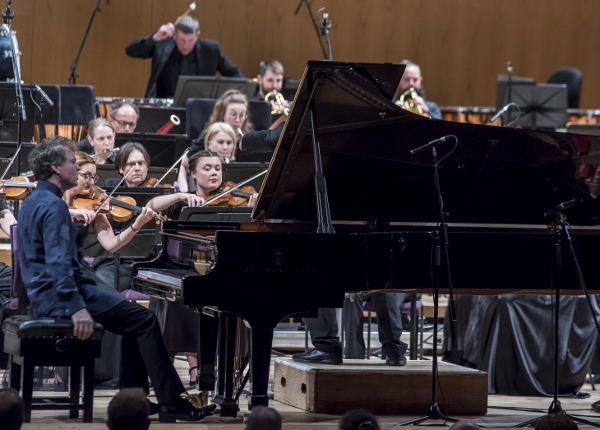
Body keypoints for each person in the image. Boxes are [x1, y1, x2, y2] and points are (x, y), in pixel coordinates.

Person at [16, 137, 216, 422]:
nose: (79, 166)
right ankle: (172, 402)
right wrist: (76, 307)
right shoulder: (54, 205)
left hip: (47, 293)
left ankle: (134, 398)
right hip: (66, 295)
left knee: (134, 320)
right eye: (73, 162)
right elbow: (59, 263)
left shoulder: (32, 200)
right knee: (145, 320)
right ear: (55, 167)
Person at [147, 150, 256, 385]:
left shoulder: (234, 203)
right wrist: (180, 196)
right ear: (194, 173)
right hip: (189, 270)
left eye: (217, 168)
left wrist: (254, 210)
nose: (213, 172)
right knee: (179, 297)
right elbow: (151, 206)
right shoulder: (182, 203)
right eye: (206, 168)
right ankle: (197, 365)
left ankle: (227, 368)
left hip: (225, 270)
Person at [126, 15, 244, 98]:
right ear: (174, 35)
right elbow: (131, 51)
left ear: (197, 35)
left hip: (198, 104)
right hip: (164, 101)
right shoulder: (162, 44)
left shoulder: (211, 50)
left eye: (191, 40)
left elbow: (233, 73)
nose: (186, 45)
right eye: (182, 40)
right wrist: (154, 38)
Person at [178, 90, 253, 191]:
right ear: (223, 114)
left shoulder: (250, 138)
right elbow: (183, 165)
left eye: (242, 115)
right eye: (233, 114)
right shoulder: (209, 135)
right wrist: (185, 193)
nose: (238, 120)